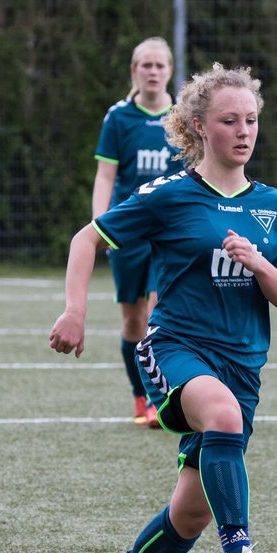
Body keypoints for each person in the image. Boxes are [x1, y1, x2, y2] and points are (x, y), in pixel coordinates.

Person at [50, 63, 277, 553]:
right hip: (177, 346)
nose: (244, 131)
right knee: (221, 415)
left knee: (190, 513)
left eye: (252, 120)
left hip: (243, 364)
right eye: (230, 120)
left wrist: (259, 262)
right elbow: (86, 238)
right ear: (198, 126)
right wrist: (76, 310)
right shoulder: (171, 195)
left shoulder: (272, 205)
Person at [93, 37, 182, 428]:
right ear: (134, 71)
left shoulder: (183, 117)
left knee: (155, 314)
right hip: (129, 232)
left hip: (169, 233)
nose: (153, 71)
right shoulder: (118, 118)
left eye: (160, 65)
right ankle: (141, 397)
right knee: (132, 321)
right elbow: (105, 175)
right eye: (145, 65)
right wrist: (102, 228)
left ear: (170, 71)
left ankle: (165, 400)